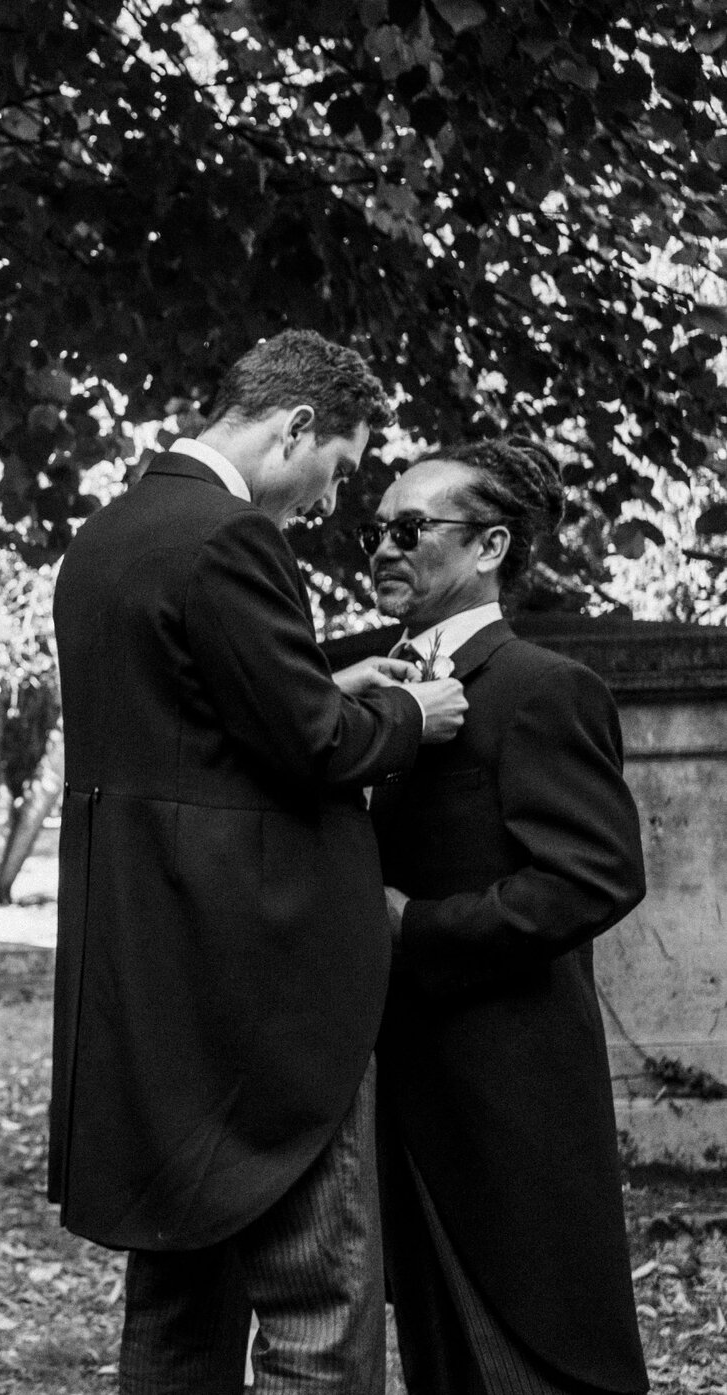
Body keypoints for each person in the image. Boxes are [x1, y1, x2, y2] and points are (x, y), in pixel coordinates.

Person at [49, 329, 468, 1390]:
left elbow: (194, 722)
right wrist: (409, 709)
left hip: (148, 973)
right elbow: (315, 748)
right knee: (316, 1300)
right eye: (334, 472)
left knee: (178, 1303)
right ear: (293, 427)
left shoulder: (110, 535)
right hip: (261, 988)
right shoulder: (232, 538)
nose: (326, 506)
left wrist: (329, 671)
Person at [341, 441, 647, 1394]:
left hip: (508, 1093)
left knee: (534, 1358)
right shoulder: (361, 684)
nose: (384, 548)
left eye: (409, 528)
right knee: (440, 1360)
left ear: (490, 546)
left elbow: (593, 876)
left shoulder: (541, 688)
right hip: (397, 1091)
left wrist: (412, 928)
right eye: (375, 530)